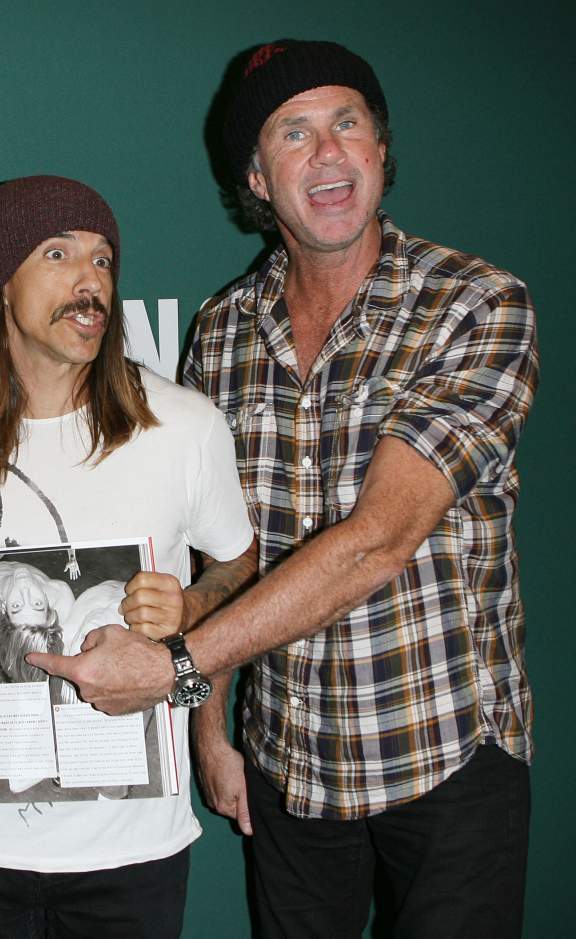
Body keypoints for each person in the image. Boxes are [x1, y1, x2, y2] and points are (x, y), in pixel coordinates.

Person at [29, 41, 538, 938]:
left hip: (446, 751)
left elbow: (380, 538)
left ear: (381, 150)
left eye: (348, 124)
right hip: (289, 763)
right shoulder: (223, 329)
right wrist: (212, 728)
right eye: (294, 134)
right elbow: (222, 549)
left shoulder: (476, 304)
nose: (329, 152)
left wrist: (177, 671)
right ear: (258, 179)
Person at [0, 175, 257, 937]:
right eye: (57, 254)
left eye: (102, 259)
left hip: (134, 852)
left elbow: (239, 567)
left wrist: (189, 607)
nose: (89, 279)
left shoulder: (185, 428)